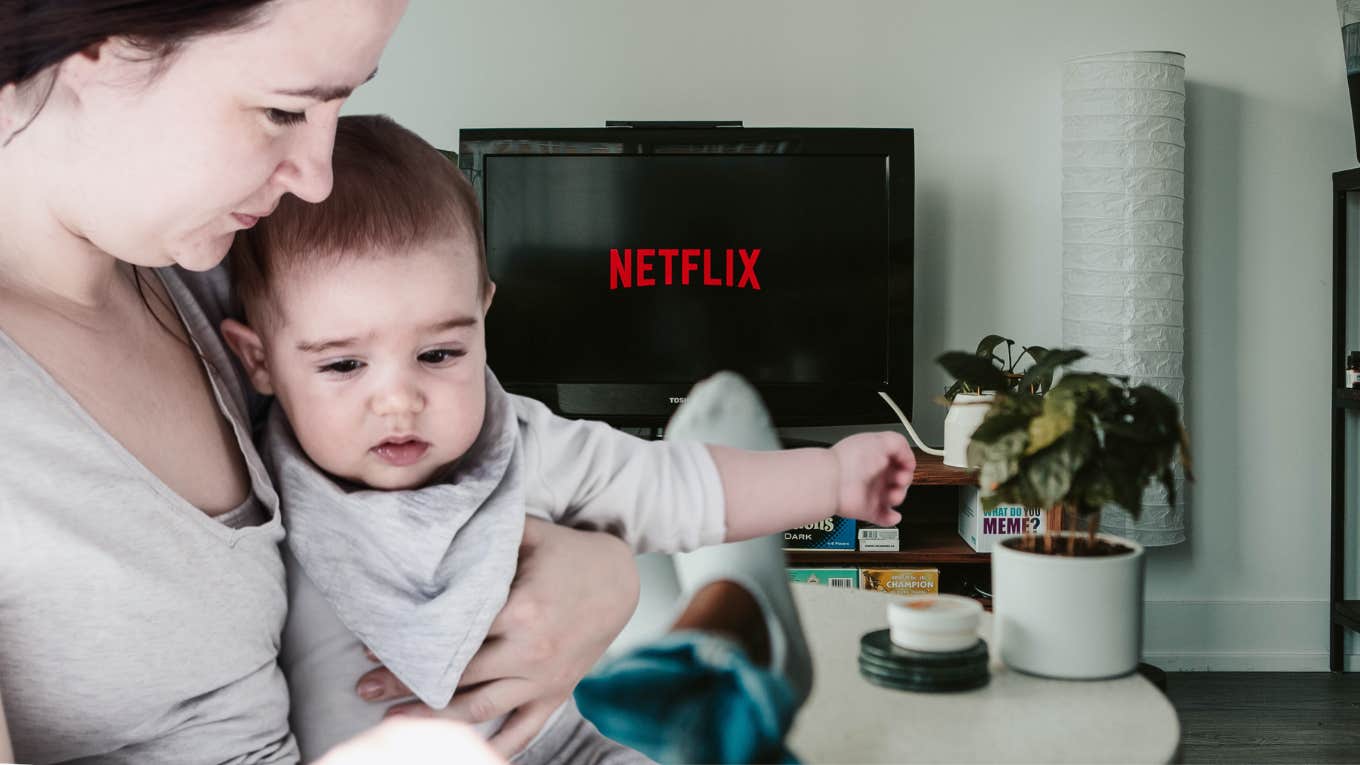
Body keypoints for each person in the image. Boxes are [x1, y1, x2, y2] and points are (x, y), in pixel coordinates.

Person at [0, 2, 646, 762]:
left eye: (340, 104)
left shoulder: (209, 274)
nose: (316, 179)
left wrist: (603, 574)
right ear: (99, 50)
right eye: (282, 111)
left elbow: (481, 472)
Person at [217, 113, 916, 762]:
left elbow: (682, 485)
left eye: (440, 354)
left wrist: (833, 477)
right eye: (344, 365)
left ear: (485, 314)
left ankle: (725, 639)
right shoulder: (251, 488)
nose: (400, 399)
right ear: (259, 360)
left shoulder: (523, 441)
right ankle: (734, 632)